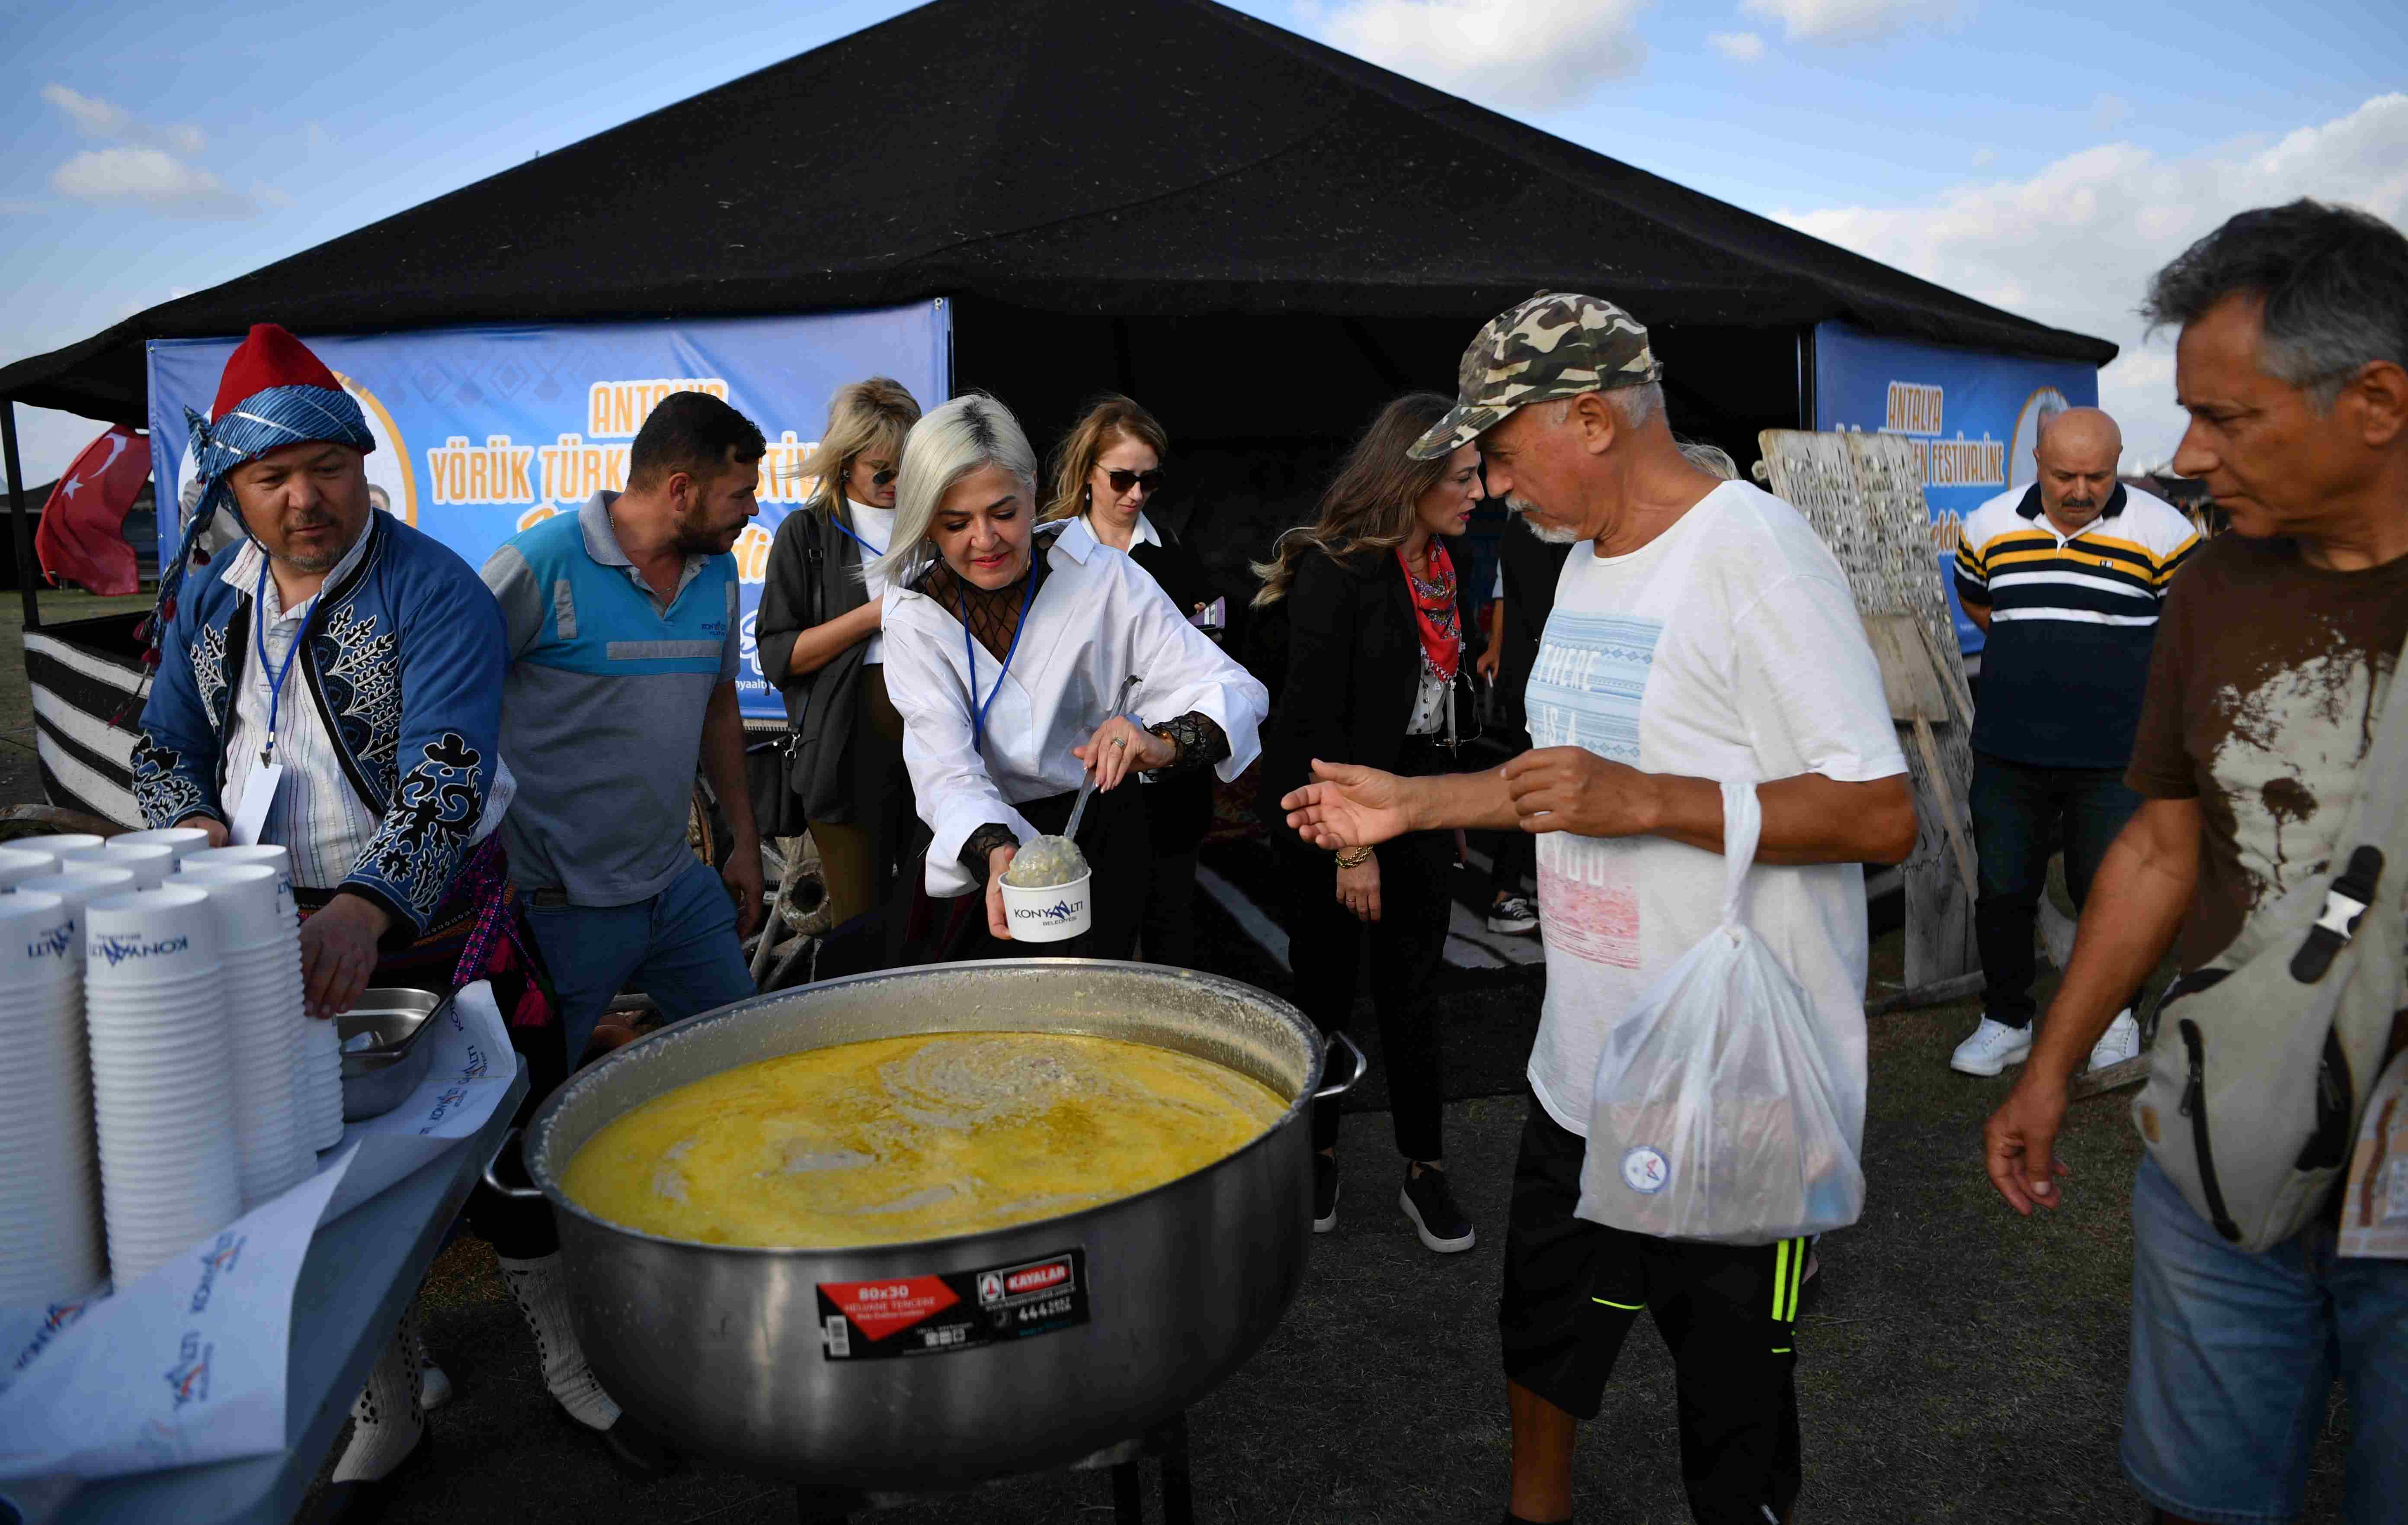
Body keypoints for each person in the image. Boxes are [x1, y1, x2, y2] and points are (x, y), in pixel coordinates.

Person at [1279, 293, 1914, 1525]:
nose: (1489, 478)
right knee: (1543, 1333)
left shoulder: (1757, 553)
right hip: (1585, 1061)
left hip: (1733, 1085)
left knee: (1733, 1395)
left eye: (1501, 450)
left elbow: (1882, 811)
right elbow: (1567, 779)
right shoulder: (1577, 564)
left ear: (1592, 416)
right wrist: (1412, 804)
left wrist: (1655, 797)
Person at [130, 324, 662, 1515]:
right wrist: (196, 834)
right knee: (310, 1175)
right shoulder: (213, 606)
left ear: (364, 465)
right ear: (234, 487)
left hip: (434, 925)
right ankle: (387, 1398)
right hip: (268, 937)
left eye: (327, 465)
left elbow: (450, 771)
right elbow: (161, 745)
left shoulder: (436, 591)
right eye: (273, 477)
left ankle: (574, 1366)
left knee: (509, 1165)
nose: (305, 496)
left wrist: (368, 906)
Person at [1983, 201, 2408, 1525]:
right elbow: (2162, 843)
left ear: (2377, 401)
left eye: (2226, 418)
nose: (2185, 454)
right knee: (2198, 1500)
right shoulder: (2215, 583)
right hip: (2217, 1138)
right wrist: (2050, 1063)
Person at [877, 394, 1266, 962]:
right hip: (976, 839)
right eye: (955, 522)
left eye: (1004, 513)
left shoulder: (1104, 577)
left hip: (1095, 829)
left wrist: (1156, 745)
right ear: (924, 517)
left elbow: (1235, 689)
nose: (984, 540)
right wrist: (998, 851)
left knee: (1088, 1014)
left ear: (1034, 487)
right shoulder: (914, 610)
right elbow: (945, 769)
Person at [1252, 392, 1486, 1253]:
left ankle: (1424, 1167)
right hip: (1331, 815)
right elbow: (1311, 728)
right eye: (1463, 476)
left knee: (1414, 992)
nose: (1481, 492)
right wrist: (1354, 846)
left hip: (1418, 799)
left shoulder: (1442, 567)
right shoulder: (1338, 567)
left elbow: (1434, 704)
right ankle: (1317, 1152)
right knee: (1322, 992)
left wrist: (1451, 800)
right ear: (1413, 476)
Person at [481, 389, 764, 1059]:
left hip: (676, 889)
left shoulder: (719, 572)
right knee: (539, 1095)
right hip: (558, 905)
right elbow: (448, 700)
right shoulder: (536, 564)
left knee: (752, 1055)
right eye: (740, 494)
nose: (753, 511)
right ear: (679, 490)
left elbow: (719, 706)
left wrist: (745, 840)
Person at [1948, 407, 2198, 1077]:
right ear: (2037, 461)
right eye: (2065, 475)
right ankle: (2007, 1019)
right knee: (2003, 890)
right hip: (2008, 747)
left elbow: (2188, 632)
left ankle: (2114, 1017)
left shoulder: (2166, 532)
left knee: (2111, 892)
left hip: (2117, 754)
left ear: (2118, 463)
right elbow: (1979, 600)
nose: (2082, 489)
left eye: (2099, 474)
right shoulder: (1988, 524)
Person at [1041, 395, 1223, 967]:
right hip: (1070, 781)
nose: (1136, 494)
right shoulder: (1045, 554)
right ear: (1087, 473)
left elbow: (1211, 665)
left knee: (1171, 935)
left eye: (1150, 480)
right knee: (1088, 948)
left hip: (1165, 783)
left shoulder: (1178, 556)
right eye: (1121, 478)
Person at [755, 377, 924, 932]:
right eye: (884, 469)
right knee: (859, 920)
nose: (897, 483)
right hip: (844, 750)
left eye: (909, 467)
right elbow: (779, 653)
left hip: (934, 741)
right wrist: (874, 616)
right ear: (846, 461)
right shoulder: (806, 533)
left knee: (931, 913)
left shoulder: (936, 526)